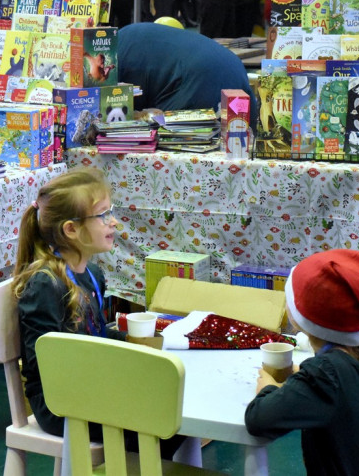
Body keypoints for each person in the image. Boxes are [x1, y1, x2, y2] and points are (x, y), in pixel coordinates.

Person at [13, 169, 194, 462]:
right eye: (102, 215)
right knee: (165, 419)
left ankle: (139, 464)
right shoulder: (45, 285)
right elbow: (45, 362)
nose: (114, 221)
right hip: (60, 404)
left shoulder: (93, 274)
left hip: (93, 386)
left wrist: (132, 342)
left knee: (178, 408)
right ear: (71, 230)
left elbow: (94, 333)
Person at [245, 249, 359, 476]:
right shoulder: (357, 354)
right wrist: (301, 376)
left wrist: (267, 388)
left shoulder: (325, 374)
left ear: (304, 318)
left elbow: (259, 419)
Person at [117, 23, 257, 131]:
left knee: (174, 143)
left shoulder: (114, 60)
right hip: (230, 65)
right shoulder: (124, 38)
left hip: (198, 78)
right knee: (239, 144)